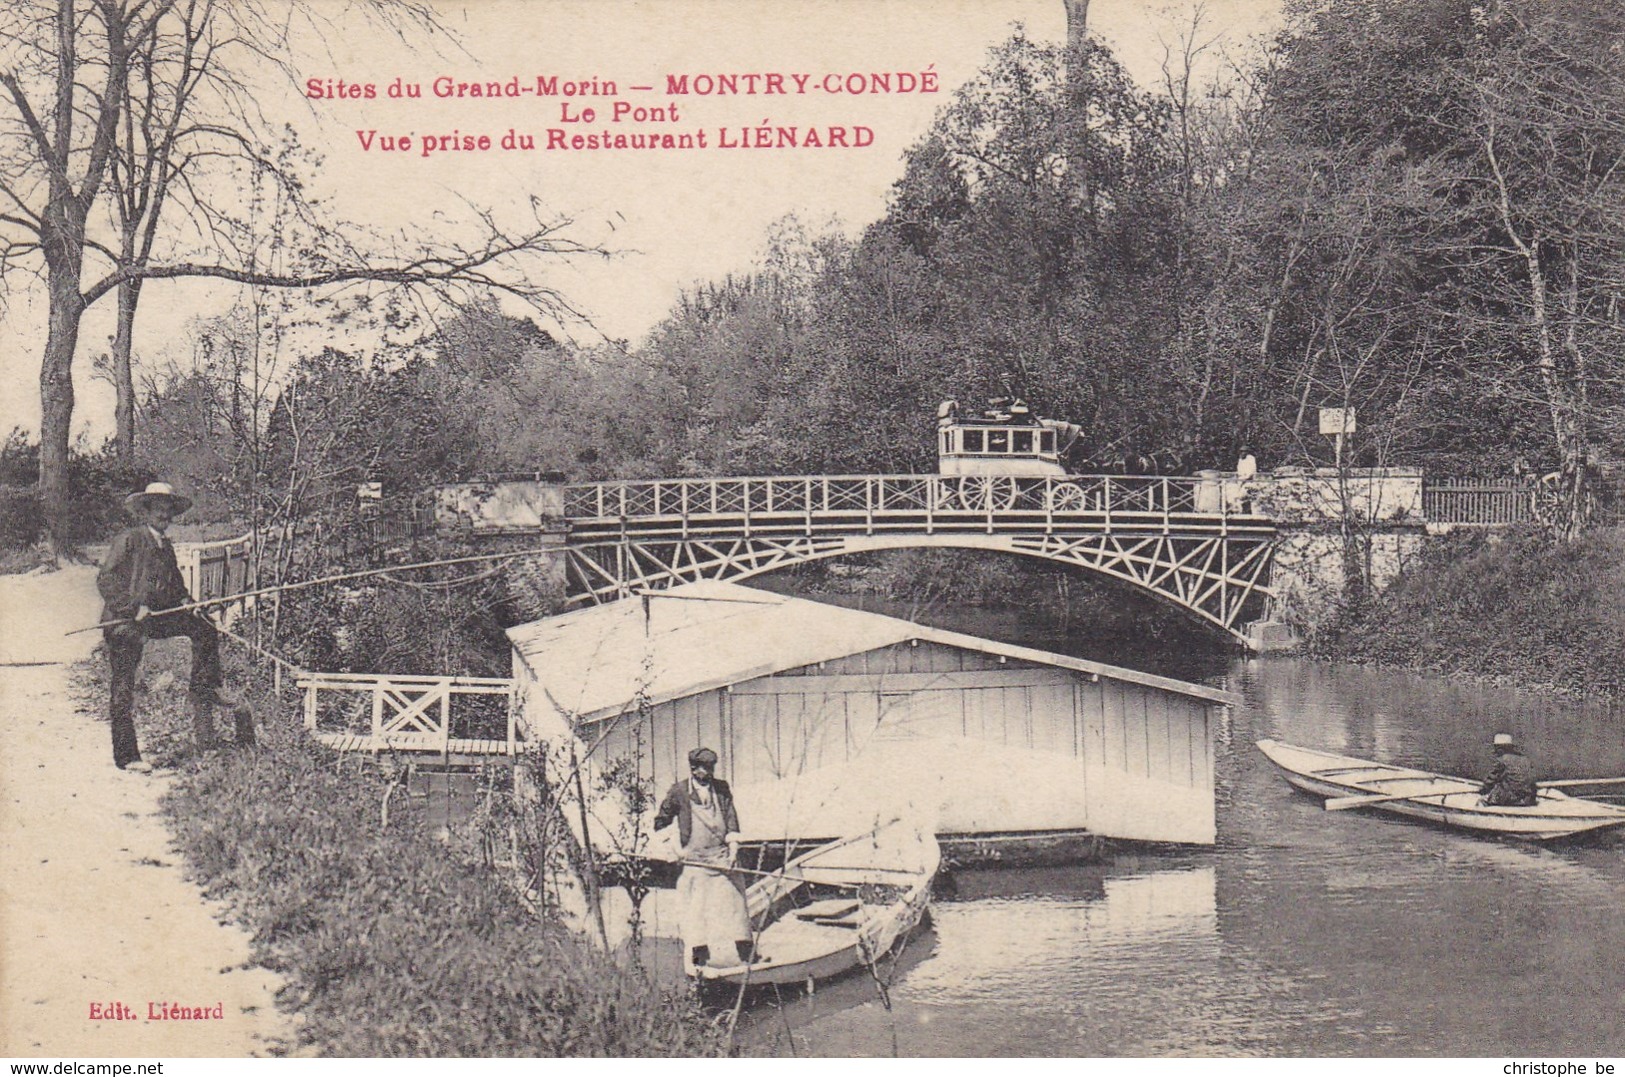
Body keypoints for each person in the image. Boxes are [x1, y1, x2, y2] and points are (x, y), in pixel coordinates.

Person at [97, 482, 253, 772]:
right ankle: (127, 756)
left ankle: (205, 685)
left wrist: (189, 602)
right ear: (145, 511)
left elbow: (175, 588)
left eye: (168, 510)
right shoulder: (130, 539)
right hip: (124, 623)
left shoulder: (165, 546)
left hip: (153, 619)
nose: (163, 515)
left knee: (204, 626)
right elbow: (106, 580)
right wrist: (133, 608)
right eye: (158, 509)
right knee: (123, 687)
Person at [654, 747, 756, 968]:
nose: (708, 773)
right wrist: (674, 851)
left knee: (736, 903)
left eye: (711, 768)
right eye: (704, 769)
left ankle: (747, 954)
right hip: (694, 859)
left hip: (722, 856)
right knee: (696, 909)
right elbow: (661, 822)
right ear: (693, 768)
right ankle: (700, 959)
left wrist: (733, 850)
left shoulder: (721, 788)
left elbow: (731, 818)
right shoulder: (679, 791)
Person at [1479, 733, 1538, 807]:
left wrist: (1482, 790)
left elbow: (1490, 780)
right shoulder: (1525, 759)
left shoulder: (1502, 760)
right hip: (1528, 798)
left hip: (1512, 798)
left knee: (1485, 798)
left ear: (1500, 748)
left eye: (1496, 748)